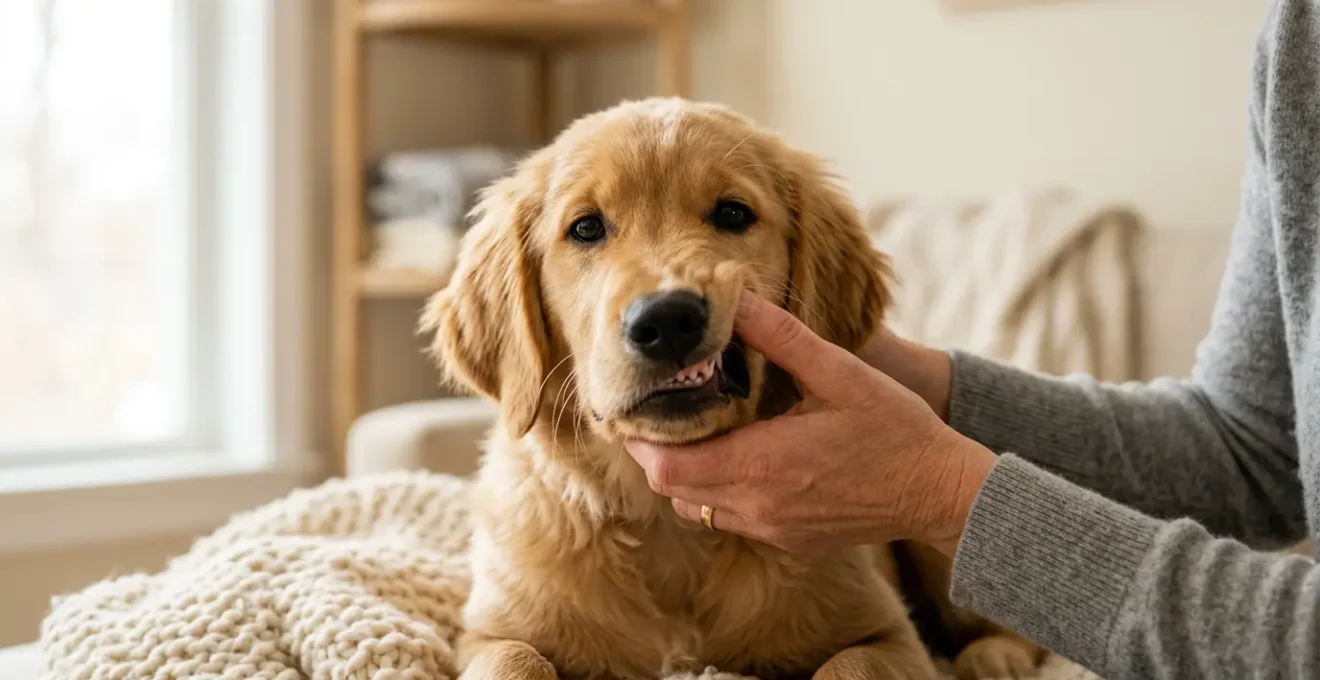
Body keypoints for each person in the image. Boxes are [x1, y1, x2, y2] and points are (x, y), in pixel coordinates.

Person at [623, 2, 1320, 678]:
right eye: (589, 230)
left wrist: (947, 499)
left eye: (732, 213)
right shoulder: (1299, 34)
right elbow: (1251, 449)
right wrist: (923, 388)